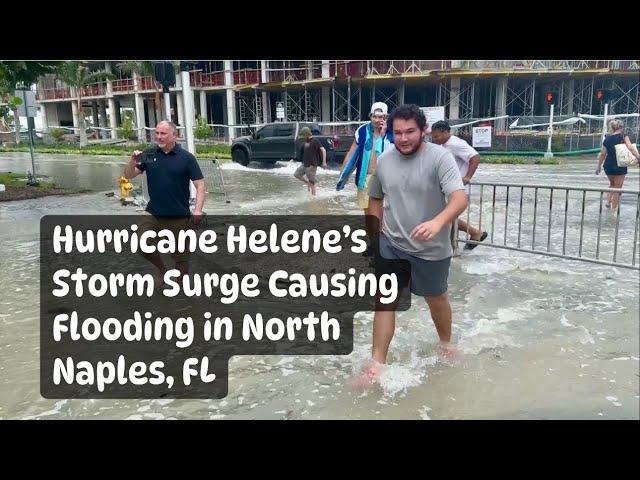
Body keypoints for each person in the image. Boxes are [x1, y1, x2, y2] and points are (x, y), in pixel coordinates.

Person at [355, 104, 468, 386]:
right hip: (392, 244)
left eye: (410, 132)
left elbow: (459, 198)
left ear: (423, 131)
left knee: (436, 298)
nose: (403, 138)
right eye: (397, 133)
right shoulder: (386, 160)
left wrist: (438, 222)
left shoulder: (440, 158)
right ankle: (376, 365)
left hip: (432, 249)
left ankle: (446, 343)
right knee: (384, 303)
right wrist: (373, 236)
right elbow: (376, 198)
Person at [124, 120, 205, 282]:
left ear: (174, 136)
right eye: (157, 133)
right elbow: (128, 175)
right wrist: (133, 160)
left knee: (181, 259)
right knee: (140, 244)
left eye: (163, 134)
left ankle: (179, 291)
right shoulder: (150, 154)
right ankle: (162, 270)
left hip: (179, 216)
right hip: (153, 213)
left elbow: (200, 185)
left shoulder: (187, 158)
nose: (159, 137)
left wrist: (198, 210)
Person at [337, 102, 394, 254]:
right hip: (364, 178)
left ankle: (383, 247)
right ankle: (372, 244)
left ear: (386, 117)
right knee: (368, 215)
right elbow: (352, 152)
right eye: (374, 116)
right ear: (370, 116)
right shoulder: (362, 131)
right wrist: (343, 173)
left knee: (381, 216)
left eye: (380, 117)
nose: (377, 120)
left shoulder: (393, 133)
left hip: (386, 181)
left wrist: (384, 135)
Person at [430, 120, 487, 250]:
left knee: (448, 215)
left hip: (455, 187)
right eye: (433, 136)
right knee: (447, 215)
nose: (434, 139)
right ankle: (472, 234)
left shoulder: (456, 143)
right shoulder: (443, 145)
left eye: (437, 136)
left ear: (445, 132)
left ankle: (456, 245)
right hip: (446, 187)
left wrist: (467, 177)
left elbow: (475, 157)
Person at [596, 119, 639, 212]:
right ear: (621, 127)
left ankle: (607, 203)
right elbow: (630, 148)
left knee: (612, 184)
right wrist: (638, 157)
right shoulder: (623, 136)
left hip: (608, 166)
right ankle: (613, 211)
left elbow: (603, 154)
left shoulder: (607, 139)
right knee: (618, 189)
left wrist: (598, 166)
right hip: (619, 165)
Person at [293, 126, 327, 196]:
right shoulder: (305, 142)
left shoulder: (315, 141)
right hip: (304, 164)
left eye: (303, 136)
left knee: (312, 182)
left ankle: (313, 198)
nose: (303, 137)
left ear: (307, 134)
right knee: (296, 174)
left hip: (312, 165)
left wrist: (324, 162)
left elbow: (323, 150)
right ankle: (308, 183)